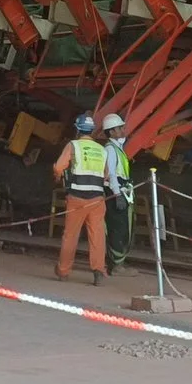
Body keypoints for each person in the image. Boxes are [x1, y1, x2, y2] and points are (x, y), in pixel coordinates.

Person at [53, 113, 111, 284]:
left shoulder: (73, 146)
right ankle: (99, 272)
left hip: (77, 197)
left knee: (70, 235)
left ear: (77, 130)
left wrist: (57, 176)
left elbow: (59, 167)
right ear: (92, 131)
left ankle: (63, 272)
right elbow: (106, 175)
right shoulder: (101, 150)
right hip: (97, 199)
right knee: (97, 236)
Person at [100, 110, 133, 273]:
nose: (122, 130)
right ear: (111, 132)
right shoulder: (110, 150)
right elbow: (111, 173)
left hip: (121, 189)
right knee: (117, 227)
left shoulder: (116, 147)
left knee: (122, 226)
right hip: (116, 191)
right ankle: (117, 265)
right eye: (119, 128)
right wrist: (117, 194)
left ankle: (118, 262)